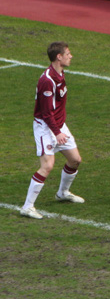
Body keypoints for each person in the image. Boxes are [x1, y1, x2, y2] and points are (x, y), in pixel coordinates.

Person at [19, 42, 84, 219]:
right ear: (59, 57)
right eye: (68, 53)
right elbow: (46, 113)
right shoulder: (47, 81)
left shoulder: (60, 74)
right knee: (47, 166)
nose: (71, 56)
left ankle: (62, 193)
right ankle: (27, 206)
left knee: (75, 160)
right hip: (46, 127)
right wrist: (57, 133)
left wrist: (60, 128)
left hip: (58, 125)